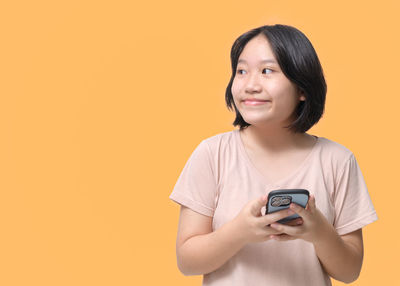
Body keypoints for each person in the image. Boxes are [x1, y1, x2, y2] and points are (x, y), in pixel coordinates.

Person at [169, 24, 378, 286]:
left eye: (267, 71)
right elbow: (186, 262)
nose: (250, 85)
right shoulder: (212, 154)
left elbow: (350, 272)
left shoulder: (337, 161)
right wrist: (240, 231)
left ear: (302, 88)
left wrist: (319, 231)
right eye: (241, 71)